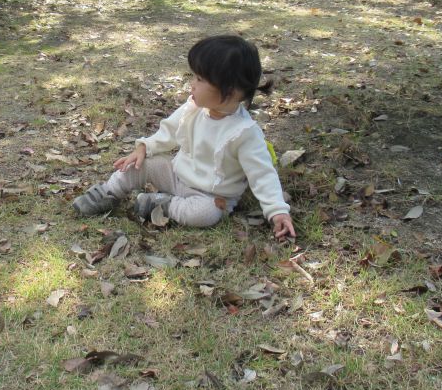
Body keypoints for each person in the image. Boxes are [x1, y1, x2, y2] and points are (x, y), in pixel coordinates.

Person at [72, 35, 296, 240]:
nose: (192, 84)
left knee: (206, 215)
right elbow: (168, 131)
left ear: (229, 90)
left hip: (210, 196)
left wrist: (277, 211)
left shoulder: (244, 133)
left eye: (199, 79)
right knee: (143, 165)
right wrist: (144, 147)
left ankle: (162, 205)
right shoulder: (194, 109)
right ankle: (108, 192)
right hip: (177, 176)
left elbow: (262, 175)